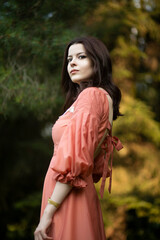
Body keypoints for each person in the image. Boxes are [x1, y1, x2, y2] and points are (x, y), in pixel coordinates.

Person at [34, 36, 123, 240]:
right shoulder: (99, 98)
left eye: (81, 57)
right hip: (70, 193)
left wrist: (49, 211)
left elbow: (75, 160)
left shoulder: (91, 96)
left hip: (68, 198)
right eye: (69, 59)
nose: (71, 63)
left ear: (97, 61)